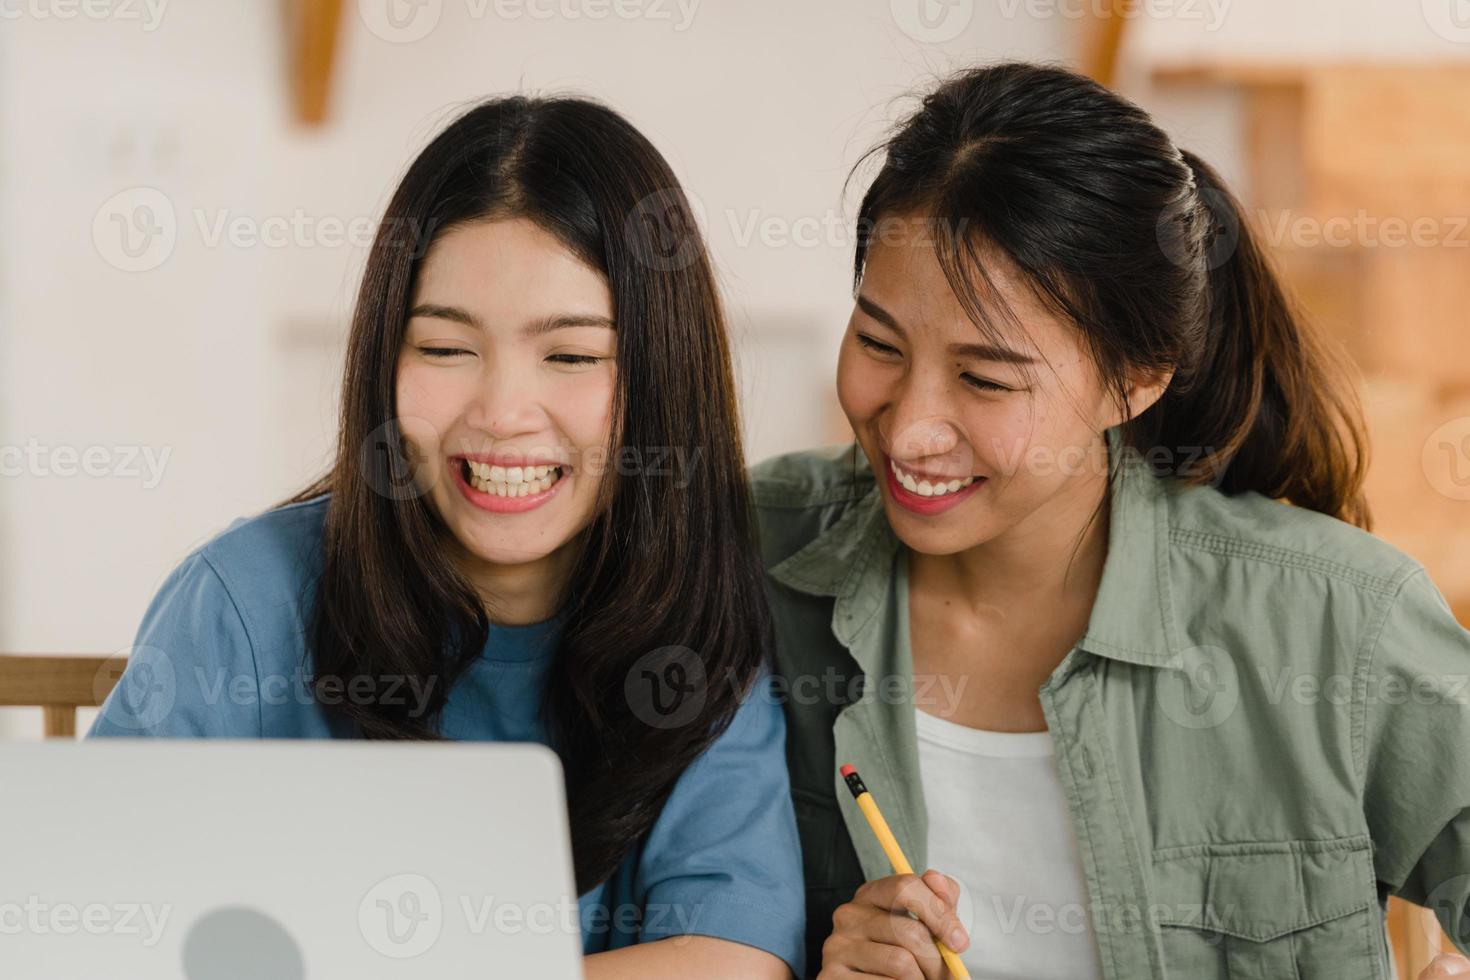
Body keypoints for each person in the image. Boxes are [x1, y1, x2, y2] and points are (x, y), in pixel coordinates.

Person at [751, 61, 1470, 979]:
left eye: (985, 378)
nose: (911, 427)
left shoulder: (1337, 620)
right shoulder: (752, 553)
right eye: (879, 343)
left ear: (1137, 378)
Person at [90, 94, 804, 979]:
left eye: (574, 357)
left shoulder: (695, 624)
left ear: (663, 379)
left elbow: (734, 959)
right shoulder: (243, 598)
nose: (502, 415)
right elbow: (97, 916)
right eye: (443, 349)